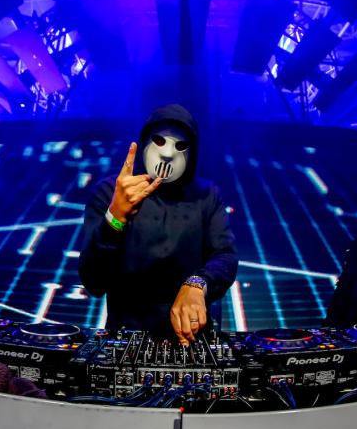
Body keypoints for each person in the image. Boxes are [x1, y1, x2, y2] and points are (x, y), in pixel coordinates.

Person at [78, 104, 238, 344]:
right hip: (127, 335)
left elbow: (225, 255)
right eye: (159, 141)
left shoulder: (206, 195)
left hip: (190, 335)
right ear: (144, 142)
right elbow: (94, 282)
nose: (167, 154)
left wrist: (198, 283)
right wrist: (114, 219)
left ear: (192, 152)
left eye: (180, 145)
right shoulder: (111, 192)